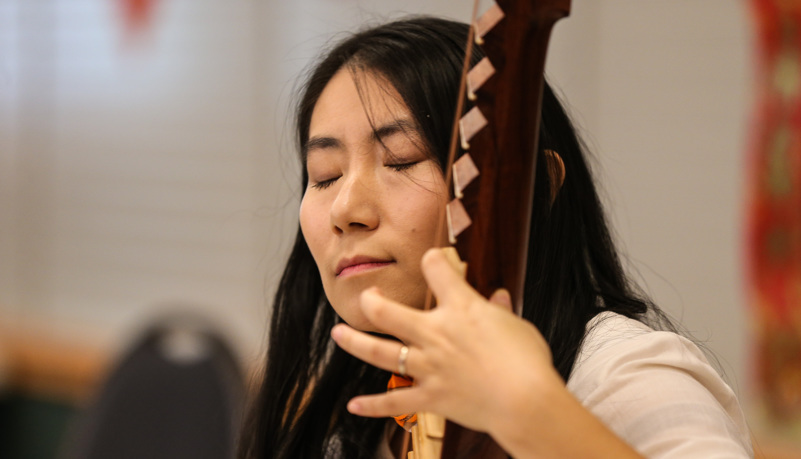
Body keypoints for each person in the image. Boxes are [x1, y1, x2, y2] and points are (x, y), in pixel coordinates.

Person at [239, 16, 753, 459]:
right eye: (324, 174)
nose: (346, 209)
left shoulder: (625, 376)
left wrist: (532, 410)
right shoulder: (360, 415)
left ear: (529, 192)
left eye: (401, 160)